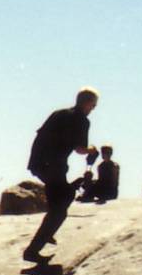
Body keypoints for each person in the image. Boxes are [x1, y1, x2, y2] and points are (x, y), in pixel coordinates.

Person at [23, 88, 97, 263]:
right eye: (93, 105)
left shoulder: (59, 113)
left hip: (39, 162)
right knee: (59, 211)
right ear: (86, 103)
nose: (93, 109)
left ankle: (47, 232)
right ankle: (32, 251)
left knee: (63, 197)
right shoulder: (82, 121)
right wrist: (92, 150)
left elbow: (40, 136)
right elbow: (80, 149)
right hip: (53, 165)